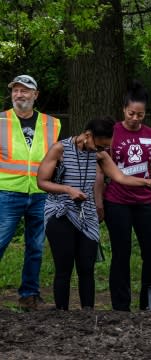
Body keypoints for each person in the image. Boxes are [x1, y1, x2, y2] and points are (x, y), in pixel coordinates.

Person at [37, 116, 151, 310]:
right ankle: (61, 314)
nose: (101, 151)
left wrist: (147, 182)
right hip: (61, 212)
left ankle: (88, 313)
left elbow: (120, 177)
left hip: (87, 216)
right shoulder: (60, 149)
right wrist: (68, 190)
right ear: (88, 135)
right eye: (99, 146)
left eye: (105, 147)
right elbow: (41, 181)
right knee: (64, 268)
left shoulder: (99, 155)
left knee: (87, 267)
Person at [0, 75, 60, 311]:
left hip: (40, 193)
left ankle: (29, 296)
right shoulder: (1, 121)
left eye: (25, 91)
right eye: (15, 90)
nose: (19, 95)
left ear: (36, 95)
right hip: (8, 193)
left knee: (35, 247)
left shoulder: (52, 124)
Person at [101, 81, 151, 311]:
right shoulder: (113, 132)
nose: (136, 118)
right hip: (117, 201)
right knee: (121, 253)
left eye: (141, 114)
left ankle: (148, 303)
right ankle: (121, 306)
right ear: (123, 109)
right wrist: (99, 200)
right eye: (131, 113)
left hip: (145, 201)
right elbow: (102, 167)